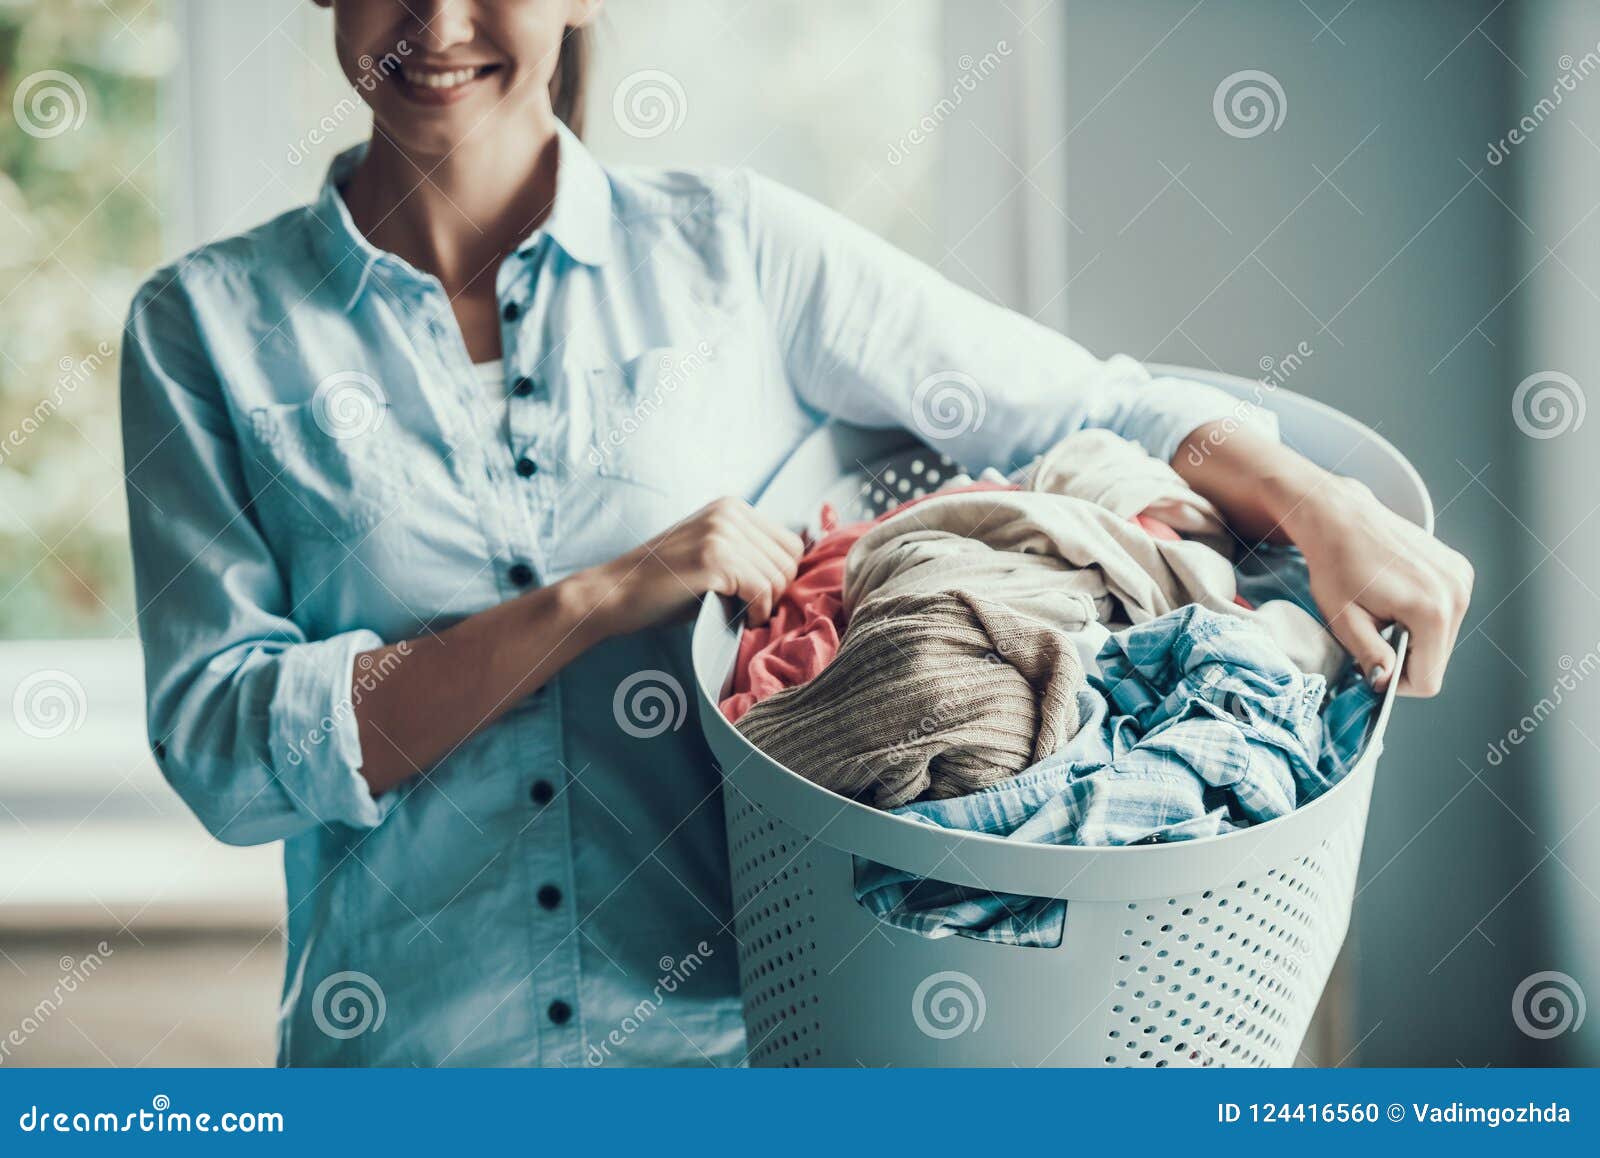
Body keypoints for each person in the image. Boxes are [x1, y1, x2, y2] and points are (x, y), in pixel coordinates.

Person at [119, 0, 1471, 1066]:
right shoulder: (206, 333)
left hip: (749, 1061)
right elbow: (231, 749)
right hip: (409, 1063)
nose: (441, 18)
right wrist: (597, 599)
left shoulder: (735, 254)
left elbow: (1091, 400)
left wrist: (1325, 505)